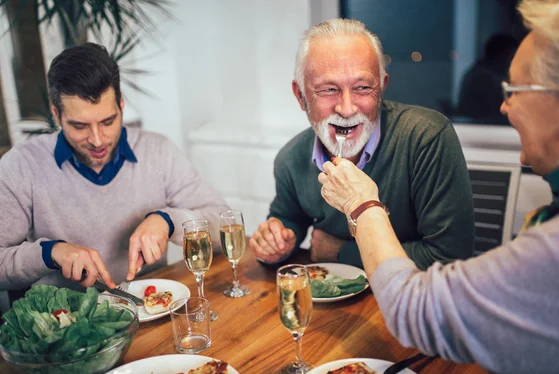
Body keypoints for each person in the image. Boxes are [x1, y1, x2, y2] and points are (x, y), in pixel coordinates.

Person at [318, 0, 559, 374]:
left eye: (513, 90)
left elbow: (413, 309)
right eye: (328, 89)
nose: (503, 106)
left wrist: (362, 205)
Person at [0, 43, 228, 291]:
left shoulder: (159, 152)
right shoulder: (21, 165)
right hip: (63, 324)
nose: (98, 140)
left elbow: (225, 229)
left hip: (149, 313)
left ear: (121, 105)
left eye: (108, 121)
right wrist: (50, 253)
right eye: (80, 126)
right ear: (57, 114)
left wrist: (168, 221)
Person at [250, 19, 474, 269]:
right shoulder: (290, 158)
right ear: (301, 96)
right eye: (329, 89)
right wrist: (276, 239)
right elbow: (288, 218)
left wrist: (341, 252)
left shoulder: (426, 138)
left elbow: (450, 258)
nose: (347, 109)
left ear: (382, 88)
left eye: (363, 87)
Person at [457, 34, 519, 124]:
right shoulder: (481, 77)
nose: (512, 60)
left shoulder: (487, 73)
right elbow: (495, 112)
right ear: (501, 53)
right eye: (511, 55)